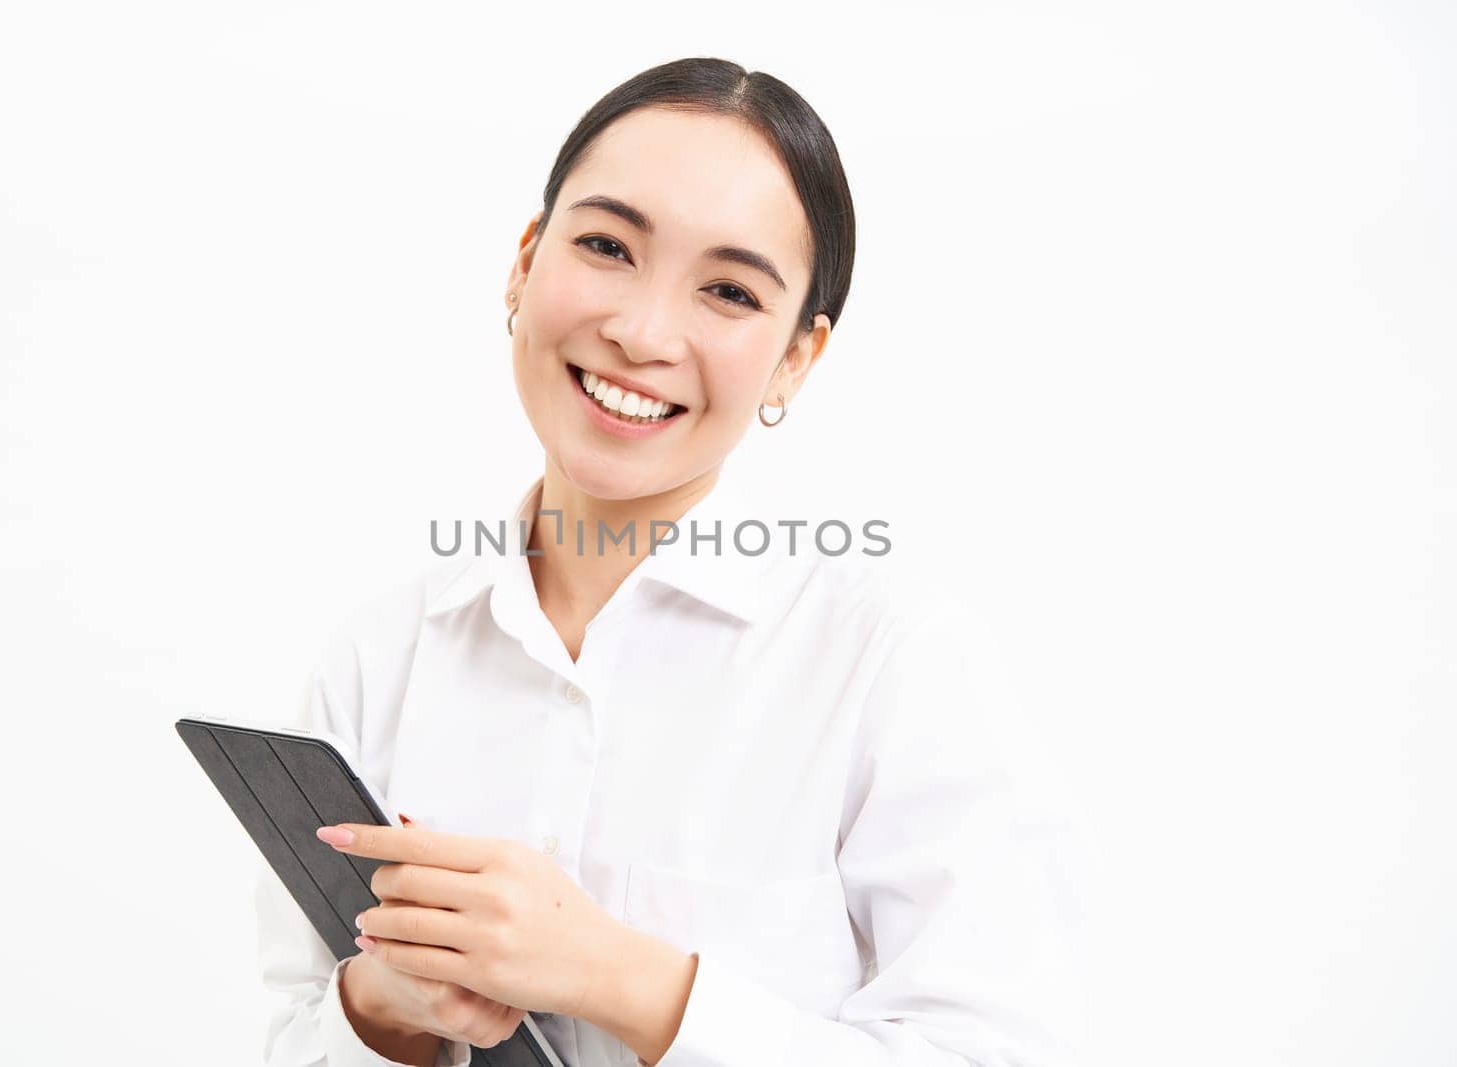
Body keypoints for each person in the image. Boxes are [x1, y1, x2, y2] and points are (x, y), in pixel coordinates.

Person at [254, 57, 1086, 1067]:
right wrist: (380, 1005)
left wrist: (616, 975)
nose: (641, 333)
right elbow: (290, 1034)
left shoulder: (890, 663)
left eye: (729, 291)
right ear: (523, 263)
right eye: (607, 245)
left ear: (796, 357)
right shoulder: (380, 656)